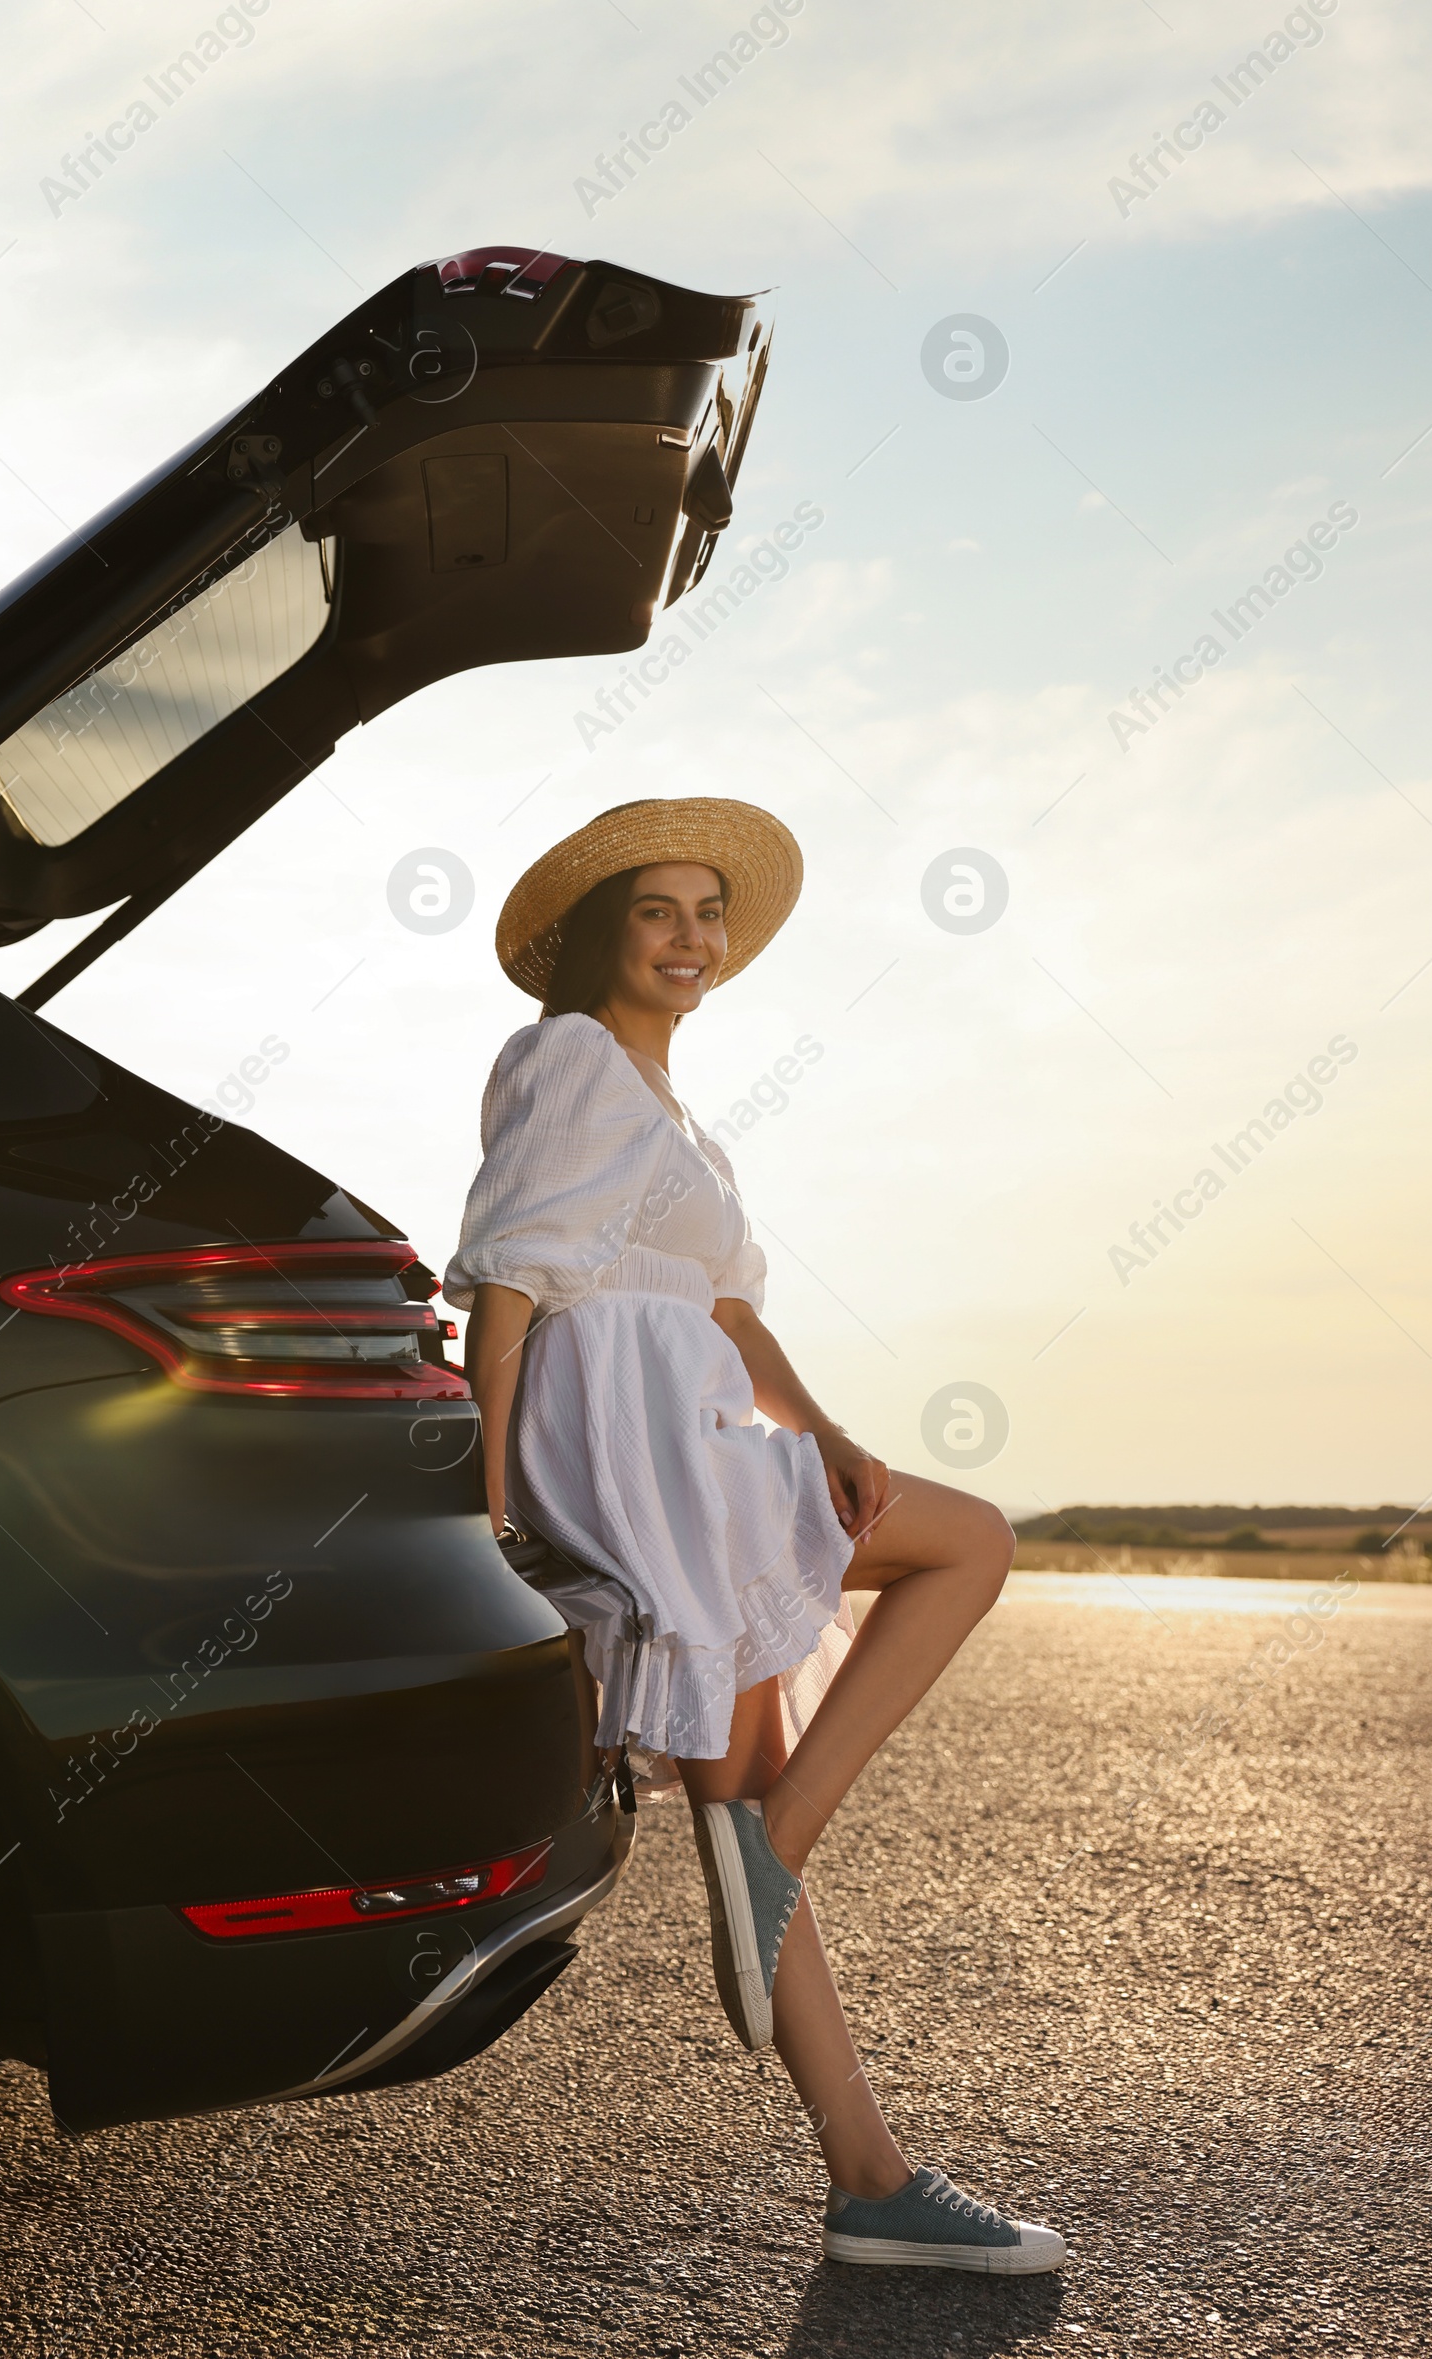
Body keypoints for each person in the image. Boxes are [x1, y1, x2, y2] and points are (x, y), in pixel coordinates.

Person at [444, 796, 1065, 2274]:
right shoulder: (569, 1058)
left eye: (706, 914)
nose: (689, 938)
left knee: (950, 1552)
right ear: (602, 934)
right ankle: (859, 2142)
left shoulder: (682, 1122)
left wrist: (834, 1438)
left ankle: (858, 2145)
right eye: (656, 910)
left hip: (719, 1431)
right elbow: (511, 1284)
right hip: (639, 1450)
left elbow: (728, 1312)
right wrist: (495, 1497)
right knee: (959, 1554)